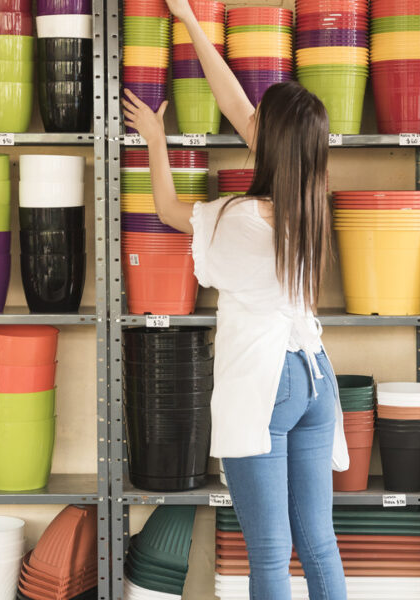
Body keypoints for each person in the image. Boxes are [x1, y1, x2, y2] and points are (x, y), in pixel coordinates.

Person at [121, 2, 349, 599]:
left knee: (270, 554)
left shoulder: (240, 218)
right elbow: (237, 106)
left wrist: (155, 141)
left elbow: (171, 212)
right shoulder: (310, 200)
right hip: (315, 378)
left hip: (267, 382)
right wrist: (191, 20)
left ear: (268, 143)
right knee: (318, 542)